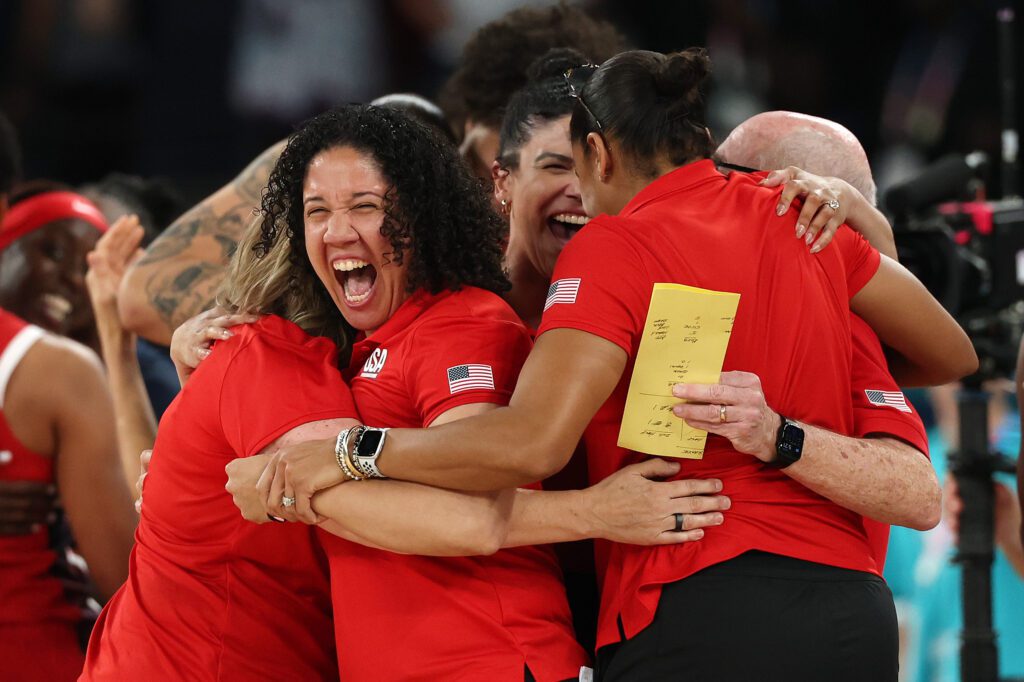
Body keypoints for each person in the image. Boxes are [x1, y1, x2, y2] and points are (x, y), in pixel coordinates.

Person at [266, 49, 975, 681]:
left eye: (572, 166)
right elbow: (951, 353)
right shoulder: (796, 219)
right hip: (853, 615)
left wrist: (354, 451)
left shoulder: (615, 244)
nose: (579, 194)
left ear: (600, 155)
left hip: (697, 604)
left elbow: (528, 443)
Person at [117, 93, 454, 346]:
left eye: (364, 205)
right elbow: (138, 296)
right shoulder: (280, 341)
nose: (338, 231)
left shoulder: (467, 321)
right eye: (319, 209)